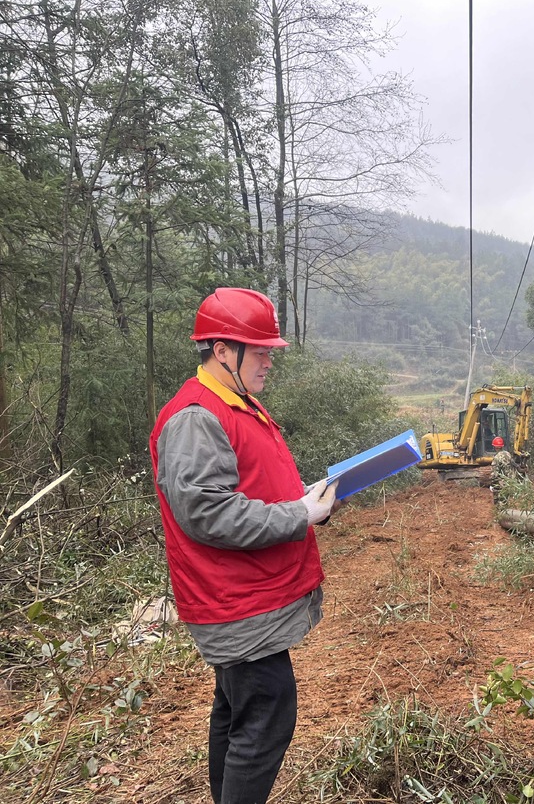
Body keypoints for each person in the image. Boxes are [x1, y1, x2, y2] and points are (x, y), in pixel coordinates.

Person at [149, 287, 339, 804]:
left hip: (246, 595)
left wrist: (303, 502)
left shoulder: (236, 404)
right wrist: (298, 514)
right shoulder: (196, 416)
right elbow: (206, 512)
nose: (269, 361)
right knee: (268, 712)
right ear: (221, 350)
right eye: (261, 351)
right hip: (235, 600)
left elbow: (248, 487)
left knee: (237, 711)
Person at [489, 435, 514, 505]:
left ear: (494, 447)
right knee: (506, 501)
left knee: (499, 503)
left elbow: (495, 474)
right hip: (509, 482)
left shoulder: (497, 458)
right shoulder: (508, 454)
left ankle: (501, 514)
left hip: (501, 484)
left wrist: (492, 485)